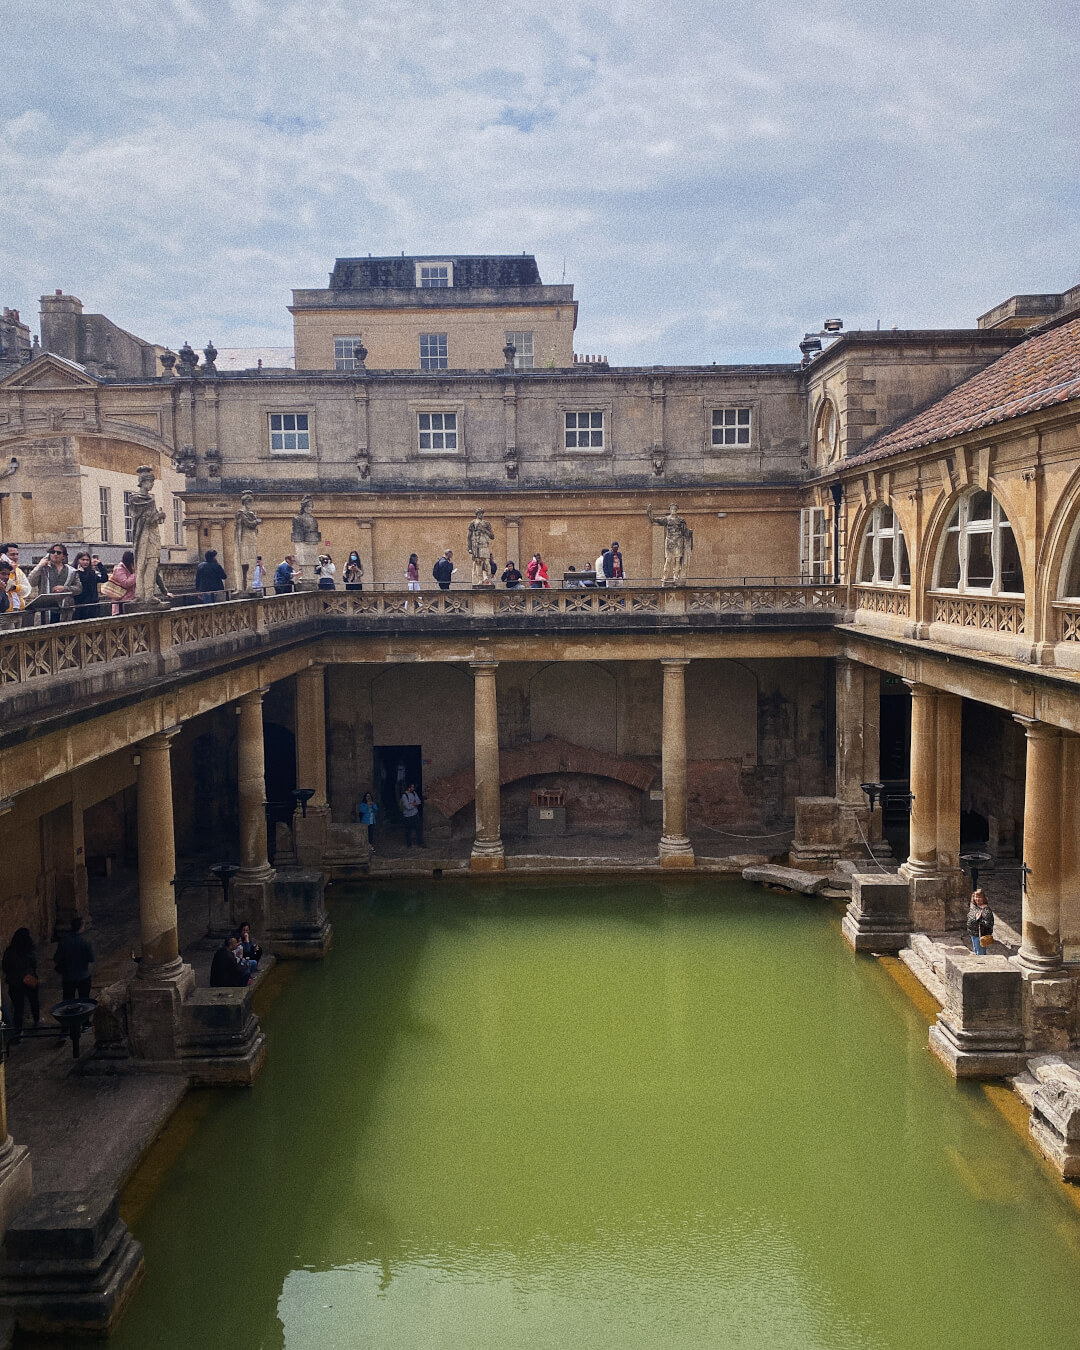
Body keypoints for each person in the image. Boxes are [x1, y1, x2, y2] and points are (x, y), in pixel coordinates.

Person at [2, 928, 40, 1042]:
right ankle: (36, 1022)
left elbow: (5, 966)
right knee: (34, 1002)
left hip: (15, 983)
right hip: (29, 980)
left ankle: (19, 1031)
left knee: (18, 1007)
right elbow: (34, 964)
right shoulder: (29, 951)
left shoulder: (9, 952)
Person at [27, 544, 81, 623]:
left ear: (63, 556)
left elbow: (79, 588)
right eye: (52, 552)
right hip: (45, 610)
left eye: (58, 552)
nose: (55, 554)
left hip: (64, 610)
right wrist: (39, 565)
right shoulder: (43, 569)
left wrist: (64, 588)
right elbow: (31, 582)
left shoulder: (71, 571)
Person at [53, 915, 94, 1001]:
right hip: (83, 976)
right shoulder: (86, 942)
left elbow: (57, 958)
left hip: (68, 977)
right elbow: (91, 958)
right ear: (81, 927)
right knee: (84, 1001)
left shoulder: (64, 941)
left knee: (68, 1002)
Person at [0, 545, 31, 616]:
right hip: (5, 611)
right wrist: (11, 573)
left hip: (18, 609)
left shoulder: (18, 571)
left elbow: (27, 590)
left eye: (17, 554)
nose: (15, 557)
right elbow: (5, 588)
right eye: (12, 554)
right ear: (3, 555)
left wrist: (15, 588)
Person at [72, 551, 104, 619]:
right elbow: (81, 586)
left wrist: (99, 565)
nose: (85, 562)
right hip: (80, 606)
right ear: (78, 560)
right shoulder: (74, 573)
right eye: (83, 560)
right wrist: (80, 573)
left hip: (93, 605)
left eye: (87, 560)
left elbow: (104, 579)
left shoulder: (91, 573)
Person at [966, 889, 995, 954]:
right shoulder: (975, 907)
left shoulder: (986, 910)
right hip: (973, 933)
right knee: (976, 951)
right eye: (976, 897)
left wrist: (979, 920)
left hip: (980, 935)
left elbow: (989, 924)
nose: (977, 899)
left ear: (983, 898)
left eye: (979, 897)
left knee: (980, 954)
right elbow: (970, 916)